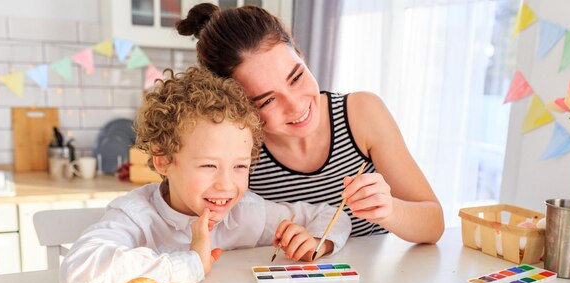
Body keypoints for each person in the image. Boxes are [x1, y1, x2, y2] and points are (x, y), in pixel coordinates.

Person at [59, 66, 351, 283]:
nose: (226, 185)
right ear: (164, 161)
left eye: (239, 166)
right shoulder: (137, 215)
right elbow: (77, 270)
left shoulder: (245, 211)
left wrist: (316, 241)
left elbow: (329, 215)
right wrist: (192, 262)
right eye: (209, 165)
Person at [176, 3, 444, 244]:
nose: (296, 105)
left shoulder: (362, 114)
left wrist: (390, 210)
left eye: (296, 77)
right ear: (238, 104)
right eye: (268, 101)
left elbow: (433, 224)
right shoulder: (237, 149)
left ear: (301, 57)